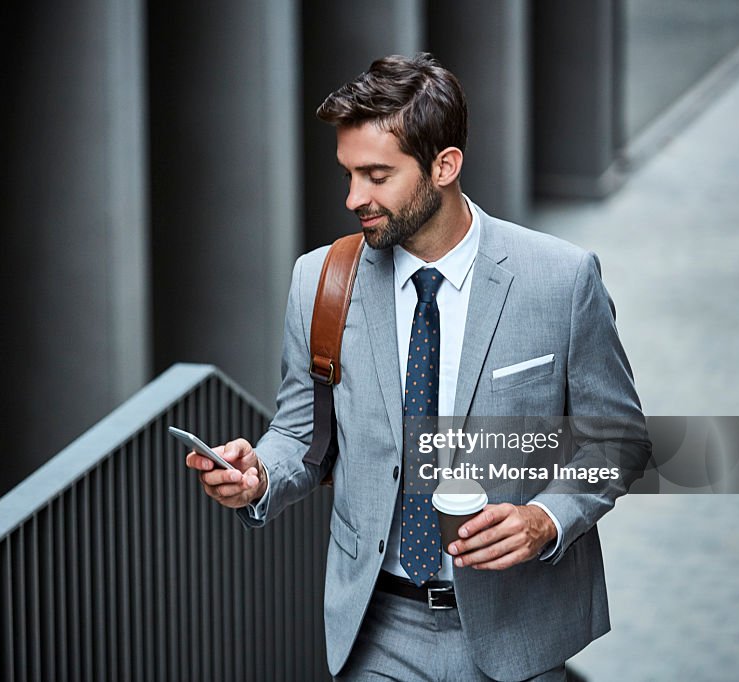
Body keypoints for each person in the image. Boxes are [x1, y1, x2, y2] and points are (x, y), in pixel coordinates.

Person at [185, 53, 650, 682]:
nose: (355, 198)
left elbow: (616, 437)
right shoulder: (320, 281)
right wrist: (259, 475)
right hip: (378, 627)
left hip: (519, 627)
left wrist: (546, 519)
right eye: (349, 174)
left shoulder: (561, 280)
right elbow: (301, 433)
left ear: (444, 166)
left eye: (377, 175)